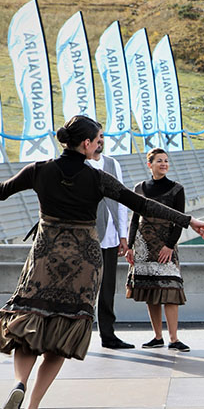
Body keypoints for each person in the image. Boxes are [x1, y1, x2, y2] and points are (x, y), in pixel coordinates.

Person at [0, 115, 204, 409]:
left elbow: (1, 190)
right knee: (62, 334)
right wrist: (188, 220)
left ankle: (19, 382)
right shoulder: (97, 177)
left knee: (29, 325)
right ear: (85, 143)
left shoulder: (39, 170)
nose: (101, 143)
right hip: (84, 262)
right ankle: (32, 407)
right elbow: (141, 204)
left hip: (45, 257)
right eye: (98, 138)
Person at [124, 148, 189, 352]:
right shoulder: (139, 188)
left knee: (170, 289)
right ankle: (157, 336)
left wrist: (170, 245)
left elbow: (179, 220)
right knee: (151, 291)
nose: (164, 164)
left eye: (166, 161)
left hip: (165, 245)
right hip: (143, 246)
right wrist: (131, 246)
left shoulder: (177, 189)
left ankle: (174, 338)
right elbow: (134, 219)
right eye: (159, 161)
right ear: (149, 164)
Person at [87, 133, 133, 349]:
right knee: (84, 289)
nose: (101, 141)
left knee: (107, 289)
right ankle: (77, 336)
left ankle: (108, 334)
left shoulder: (113, 164)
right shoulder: (79, 165)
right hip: (86, 238)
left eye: (102, 137)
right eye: (97, 137)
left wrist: (123, 235)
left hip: (111, 237)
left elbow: (121, 199)